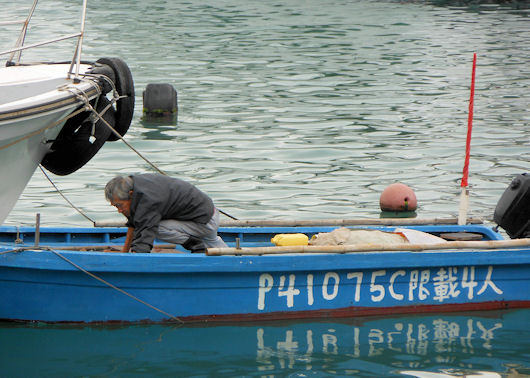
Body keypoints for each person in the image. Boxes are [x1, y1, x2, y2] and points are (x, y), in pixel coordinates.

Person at [105, 173, 228, 253]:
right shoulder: (136, 186)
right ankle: (236, 257)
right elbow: (133, 223)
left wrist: (134, 261)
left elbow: (145, 236)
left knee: (156, 228)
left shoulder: (147, 200)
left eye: (119, 205)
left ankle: (196, 245)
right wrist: (124, 252)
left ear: (131, 195)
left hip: (204, 222)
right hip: (207, 214)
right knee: (225, 254)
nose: (119, 211)